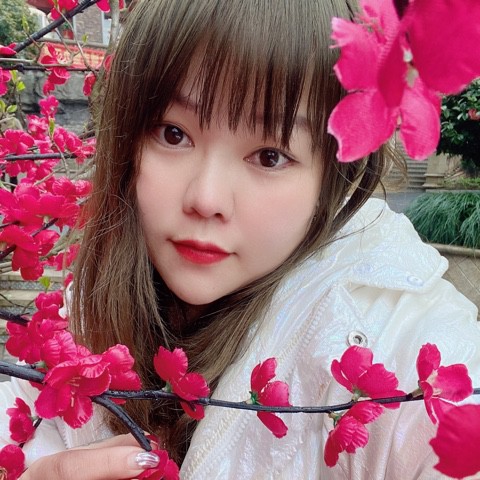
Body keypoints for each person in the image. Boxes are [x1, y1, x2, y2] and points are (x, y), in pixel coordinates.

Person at [0, 0, 479, 478]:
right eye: (173, 134)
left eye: (270, 156)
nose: (206, 198)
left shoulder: (397, 336)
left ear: (333, 179)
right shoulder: (75, 321)